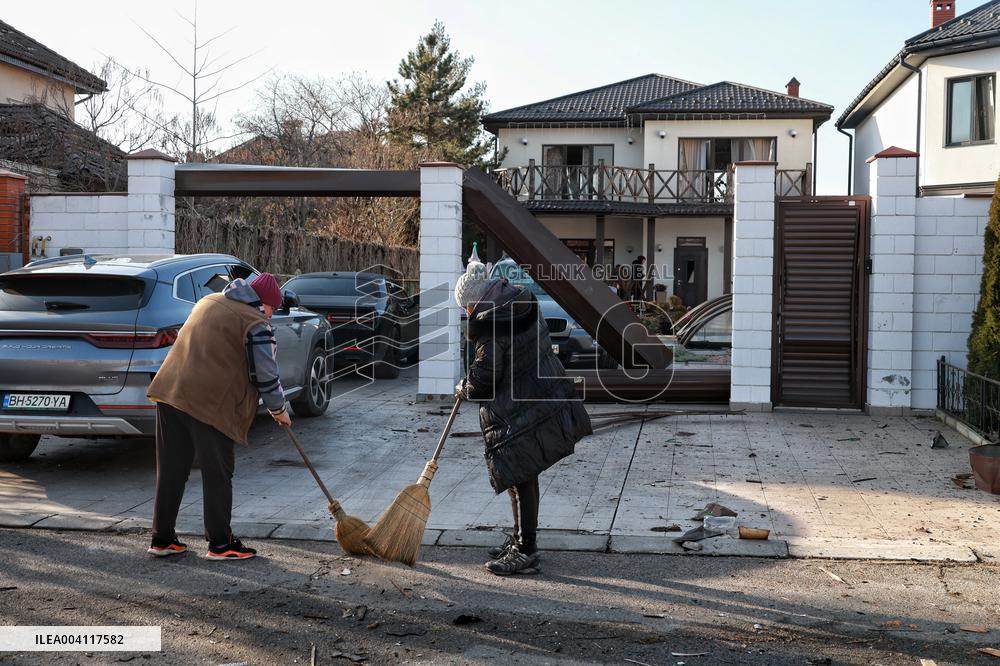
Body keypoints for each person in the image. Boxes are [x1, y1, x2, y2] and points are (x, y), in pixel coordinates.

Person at [454, 249, 592, 575]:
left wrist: (465, 387)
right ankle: (519, 540)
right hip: (539, 399)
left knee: (522, 477)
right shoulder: (522, 304)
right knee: (523, 476)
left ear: (477, 301)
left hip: (519, 411)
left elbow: (485, 379)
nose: (469, 313)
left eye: (468, 307)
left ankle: (526, 550)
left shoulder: (492, 324)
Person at [145, 273, 290, 561]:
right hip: (210, 404)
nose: (272, 315)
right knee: (218, 474)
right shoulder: (255, 321)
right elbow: (266, 373)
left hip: (169, 392)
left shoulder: (208, 301)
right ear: (264, 303)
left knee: (172, 470)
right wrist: (280, 409)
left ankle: (162, 539)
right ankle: (221, 544)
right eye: (273, 308)